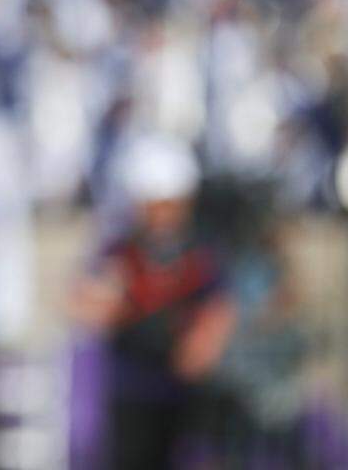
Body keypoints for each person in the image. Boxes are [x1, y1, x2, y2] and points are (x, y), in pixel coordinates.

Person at [71, 133, 235, 469]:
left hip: (185, 403)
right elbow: (86, 304)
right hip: (132, 398)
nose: (164, 215)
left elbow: (211, 328)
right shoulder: (120, 251)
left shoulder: (200, 255)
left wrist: (194, 338)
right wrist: (130, 298)